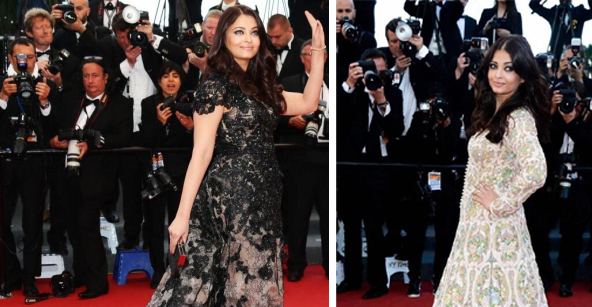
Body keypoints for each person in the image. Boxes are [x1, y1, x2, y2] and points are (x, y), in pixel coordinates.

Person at [146, 6, 325, 306]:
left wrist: (318, 50)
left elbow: (308, 102)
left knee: (253, 282)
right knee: (234, 282)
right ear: (224, 39)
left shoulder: (263, 88)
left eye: (254, 32)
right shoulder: (215, 89)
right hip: (228, 199)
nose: (249, 40)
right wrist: (181, 215)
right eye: (239, 32)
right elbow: (201, 153)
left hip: (265, 196)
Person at [433, 35, 550, 306]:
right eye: (494, 66)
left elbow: (536, 171)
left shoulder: (518, 118)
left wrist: (500, 203)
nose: (498, 74)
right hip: (474, 227)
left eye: (509, 68)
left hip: (497, 229)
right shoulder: (493, 112)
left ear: (523, 75)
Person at [49, 57, 132, 299]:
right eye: (86, 76)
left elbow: (124, 137)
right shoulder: (71, 100)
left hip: (98, 176)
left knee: (87, 227)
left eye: (95, 76)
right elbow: (56, 128)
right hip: (68, 173)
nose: (90, 81)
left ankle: (98, 282)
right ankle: (82, 275)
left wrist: (94, 144)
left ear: (106, 77)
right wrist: (54, 141)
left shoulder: (120, 104)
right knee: (74, 228)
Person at [0, 37, 55, 297]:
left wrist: (45, 104)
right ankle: (9, 275)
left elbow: (53, 129)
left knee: (33, 223)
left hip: (34, 162)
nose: (25, 62)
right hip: (4, 163)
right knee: (2, 221)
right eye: (20, 57)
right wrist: (1, 98)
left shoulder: (44, 84)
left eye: (30, 57)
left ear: (36, 58)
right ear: (11, 58)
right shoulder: (2, 84)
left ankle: (30, 278)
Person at [278, 39, 329, 282]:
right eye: (309, 53)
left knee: (330, 217)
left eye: (319, 53)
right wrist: (290, 121)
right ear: (301, 58)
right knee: (297, 216)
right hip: (299, 160)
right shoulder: (288, 84)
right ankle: (296, 264)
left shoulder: (336, 83)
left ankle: (330, 266)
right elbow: (271, 118)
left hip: (328, 160)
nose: (315, 57)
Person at [141, 61, 193, 289]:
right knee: (153, 222)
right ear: (159, 80)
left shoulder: (190, 103)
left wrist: (192, 127)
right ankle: (158, 269)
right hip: (155, 171)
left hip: (182, 172)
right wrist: (159, 124)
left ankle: (177, 266)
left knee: (179, 220)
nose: (171, 80)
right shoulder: (148, 103)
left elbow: (202, 143)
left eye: (175, 76)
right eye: (166, 76)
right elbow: (146, 140)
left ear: (181, 80)